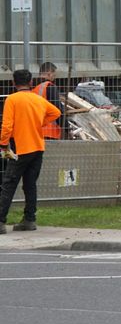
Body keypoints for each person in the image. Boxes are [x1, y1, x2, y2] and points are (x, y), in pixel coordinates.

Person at [0, 69, 62, 233]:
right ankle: (29, 219)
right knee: (30, 185)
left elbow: (6, 126)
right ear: (31, 83)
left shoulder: (12, 99)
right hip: (37, 147)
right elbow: (56, 112)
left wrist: (3, 144)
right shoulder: (38, 99)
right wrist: (39, 122)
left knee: (8, 184)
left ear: (14, 83)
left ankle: (0, 221)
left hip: (20, 147)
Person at [33, 61, 65, 140]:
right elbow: (58, 109)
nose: (54, 78)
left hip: (34, 131)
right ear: (49, 73)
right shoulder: (49, 86)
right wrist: (66, 127)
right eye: (54, 75)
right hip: (49, 132)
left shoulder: (33, 88)